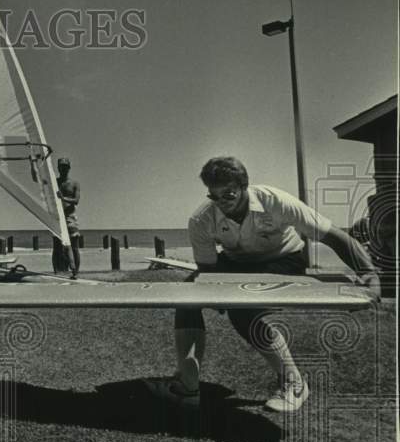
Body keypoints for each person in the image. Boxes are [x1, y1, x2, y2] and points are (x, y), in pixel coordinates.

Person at [147, 156, 380, 412]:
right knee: (186, 298)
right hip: (236, 264)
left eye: (228, 194)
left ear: (245, 186)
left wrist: (369, 273)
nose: (221, 203)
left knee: (243, 310)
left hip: (284, 260)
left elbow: (333, 236)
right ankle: (187, 387)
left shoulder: (275, 201)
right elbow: (209, 270)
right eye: (214, 196)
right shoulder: (201, 219)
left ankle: (295, 383)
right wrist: (214, 293)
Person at [51, 158, 81, 278]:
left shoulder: (74, 183)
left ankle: (76, 272)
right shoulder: (55, 182)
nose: (63, 169)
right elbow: (37, 180)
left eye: (65, 167)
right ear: (58, 168)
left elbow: (76, 200)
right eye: (61, 167)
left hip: (70, 218)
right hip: (57, 218)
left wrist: (63, 198)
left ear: (69, 168)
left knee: (74, 247)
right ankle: (57, 272)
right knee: (57, 246)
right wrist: (32, 163)